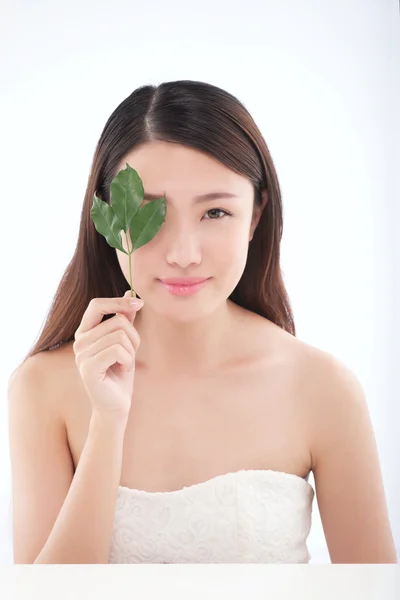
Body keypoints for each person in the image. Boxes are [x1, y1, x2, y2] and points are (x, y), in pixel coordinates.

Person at [7, 80, 397, 565]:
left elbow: (373, 591)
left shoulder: (322, 388)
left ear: (256, 215)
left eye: (215, 212)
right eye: (150, 212)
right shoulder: (43, 388)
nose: (183, 254)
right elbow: (45, 598)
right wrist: (108, 425)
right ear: (107, 220)